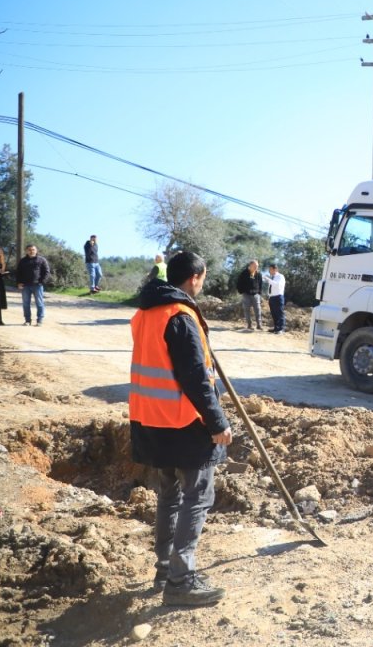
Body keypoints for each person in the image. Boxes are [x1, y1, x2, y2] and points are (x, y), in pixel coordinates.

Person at [129, 251, 232, 607]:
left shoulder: (145, 313)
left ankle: (165, 569)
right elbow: (194, 378)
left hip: (150, 420)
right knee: (197, 496)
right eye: (203, 278)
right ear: (195, 277)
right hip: (183, 421)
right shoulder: (181, 316)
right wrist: (217, 422)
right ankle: (181, 581)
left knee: (169, 496)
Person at [15, 244, 51, 326]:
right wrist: (18, 283)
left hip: (37, 285)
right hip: (25, 286)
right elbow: (18, 273)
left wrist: (42, 282)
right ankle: (27, 320)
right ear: (26, 251)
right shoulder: (23, 261)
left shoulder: (41, 260)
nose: (31, 251)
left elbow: (47, 272)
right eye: (29, 250)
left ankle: (39, 320)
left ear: (36, 250)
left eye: (33, 249)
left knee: (39, 303)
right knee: (26, 304)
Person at [235, 260, 264, 330]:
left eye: (257, 266)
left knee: (258, 309)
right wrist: (241, 291)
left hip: (256, 294)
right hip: (246, 294)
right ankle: (249, 325)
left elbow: (260, 284)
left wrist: (259, 292)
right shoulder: (244, 273)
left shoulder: (258, 274)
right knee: (246, 309)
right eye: (255, 266)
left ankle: (259, 325)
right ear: (250, 265)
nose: (256, 268)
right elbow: (239, 283)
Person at [265, 263, 286, 334]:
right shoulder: (272, 277)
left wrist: (268, 279)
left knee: (279, 313)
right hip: (272, 297)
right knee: (274, 313)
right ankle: (276, 328)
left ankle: (281, 329)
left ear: (275, 269)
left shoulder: (280, 276)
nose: (269, 271)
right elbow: (271, 288)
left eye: (270, 269)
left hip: (278, 297)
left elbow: (277, 285)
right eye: (269, 269)